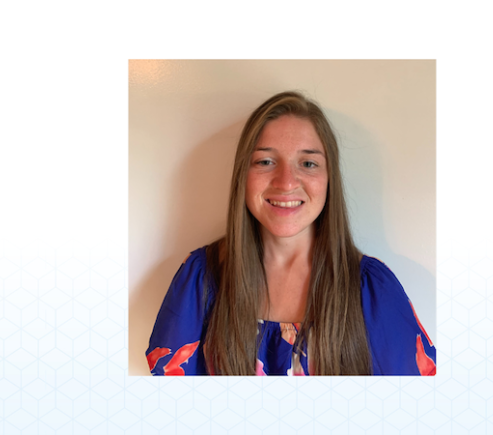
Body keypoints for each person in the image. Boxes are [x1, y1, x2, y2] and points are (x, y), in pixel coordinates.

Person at [146, 91, 436, 376]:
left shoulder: (372, 289)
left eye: (308, 163)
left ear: (329, 178)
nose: (286, 183)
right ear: (242, 176)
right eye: (265, 161)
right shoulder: (200, 279)